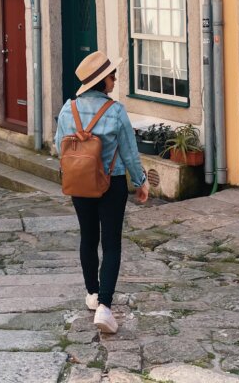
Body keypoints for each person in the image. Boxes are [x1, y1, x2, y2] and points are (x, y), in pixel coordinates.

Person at [55, 51, 149, 334]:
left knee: (87, 237)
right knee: (111, 243)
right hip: (112, 182)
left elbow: (60, 147)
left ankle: (93, 294)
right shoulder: (116, 111)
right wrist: (141, 181)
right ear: (101, 81)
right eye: (112, 75)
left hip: (79, 184)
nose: (115, 79)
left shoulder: (66, 110)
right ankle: (105, 307)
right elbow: (130, 152)